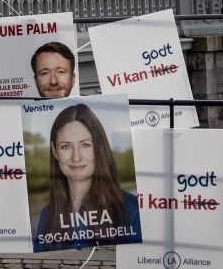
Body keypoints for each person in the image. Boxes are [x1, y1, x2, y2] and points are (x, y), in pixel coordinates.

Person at [32, 103, 142, 249]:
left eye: (85, 145)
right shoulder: (47, 215)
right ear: (54, 150)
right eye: (66, 146)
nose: (76, 157)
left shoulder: (132, 209)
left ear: (98, 147)